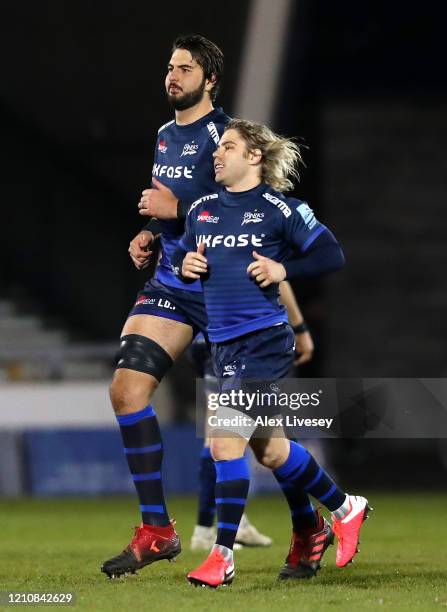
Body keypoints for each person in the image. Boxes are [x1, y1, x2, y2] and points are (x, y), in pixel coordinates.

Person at [174, 119, 371, 588]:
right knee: (273, 451)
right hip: (222, 345)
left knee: (223, 442)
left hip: (263, 340)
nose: (217, 154)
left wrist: (284, 267)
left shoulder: (281, 208)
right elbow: (186, 259)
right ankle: (347, 507)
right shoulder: (201, 209)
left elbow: (331, 255)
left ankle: (221, 556)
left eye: (228, 146)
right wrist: (186, 265)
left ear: (255, 156)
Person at [101, 34, 230, 579]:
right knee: (126, 388)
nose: (172, 77)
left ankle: (327, 515)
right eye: (170, 67)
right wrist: (151, 232)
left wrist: (175, 206)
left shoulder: (229, 136)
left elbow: (243, 207)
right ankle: (157, 530)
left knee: (260, 439)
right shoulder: (163, 135)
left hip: (226, 288)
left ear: (210, 80)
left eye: (185, 68)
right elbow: (166, 211)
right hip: (173, 284)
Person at [189, 282, 314, 551]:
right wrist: (301, 329)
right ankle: (314, 521)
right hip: (246, 339)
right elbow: (281, 283)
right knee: (272, 435)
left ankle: (213, 527)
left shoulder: (194, 241)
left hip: (206, 338)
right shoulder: (248, 242)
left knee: (222, 432)